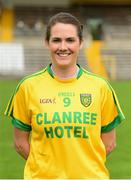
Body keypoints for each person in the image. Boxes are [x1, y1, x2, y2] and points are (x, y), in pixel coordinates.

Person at [5, 12, 125, 179]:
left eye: (70, 40)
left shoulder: (101, 87)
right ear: (47, 43)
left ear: (81, 43)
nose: (63, 47)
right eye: (56, 40)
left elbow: (109, 143)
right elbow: (20, 143)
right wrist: (47, 168)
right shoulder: (27, 87)